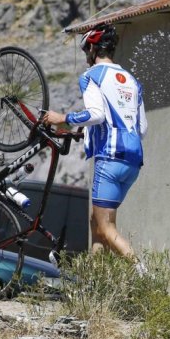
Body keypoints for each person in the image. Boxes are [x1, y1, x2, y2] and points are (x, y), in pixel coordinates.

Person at [42, 24, 147, 272]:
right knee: (97, 222)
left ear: (92, 47)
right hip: (132, 160)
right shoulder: (131, 80)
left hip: (109, 158)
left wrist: (62, 118)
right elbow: (141, 128)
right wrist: (85, 130)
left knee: (105, 227)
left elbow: (97, 114)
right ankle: (96, 281)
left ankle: (143, 272)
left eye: (85, 49)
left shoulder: (91, 76)